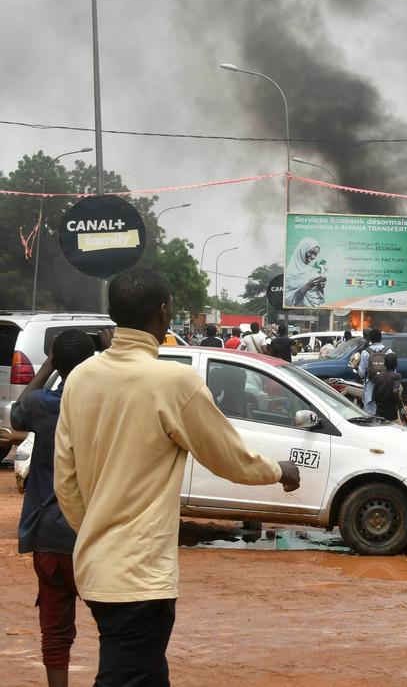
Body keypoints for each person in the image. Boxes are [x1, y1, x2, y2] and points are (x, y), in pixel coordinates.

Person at [54, 268, 300, 685]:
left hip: (97, 568)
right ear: (164, 313)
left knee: (147, 674)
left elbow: (66, 479)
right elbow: (229, 457)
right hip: (140, 578)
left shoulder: (81, 378)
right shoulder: (172, 382)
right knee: (128, 676)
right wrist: (279, 470)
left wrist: (96, 531)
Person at [14, 329, 96, 687]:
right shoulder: (104, 406)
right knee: (115, 626)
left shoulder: (44, 406)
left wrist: (49, 364)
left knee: (55, 633)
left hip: (48, 535)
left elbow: (18, 412)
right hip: (94, 535)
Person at [284, 237, 326, 307]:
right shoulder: (289, 273)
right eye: (311, 252)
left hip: (316, 310)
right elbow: (288, 300)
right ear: (303, 250)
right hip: (299, 312)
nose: (313, 257)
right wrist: (308, 286)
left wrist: (320, 288)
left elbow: (319, 297)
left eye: (315, 254)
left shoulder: (313, 270)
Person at [359, 329, 391, 416]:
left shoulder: (365, 352)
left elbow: (361, 373)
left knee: (370, 416)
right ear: (381, 338)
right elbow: (393, 371)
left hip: (370, 388)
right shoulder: (388, 351)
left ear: (370, 339)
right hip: (385, 388)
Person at [372, 352, 403, 422]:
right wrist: (400, 405)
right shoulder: (397, 376)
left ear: (385, 364)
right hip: (391, 411)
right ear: (396, 364)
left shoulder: (378, 377)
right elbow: (395, 391)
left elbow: (374, 394)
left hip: (379, 411)